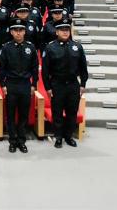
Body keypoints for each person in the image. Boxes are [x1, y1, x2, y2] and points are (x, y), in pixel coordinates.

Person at [42, 18, 88, 148]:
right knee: (57, 112)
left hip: (73, 84)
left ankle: (68, 136)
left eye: (67, 30)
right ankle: (58, 137)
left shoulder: (77, 46)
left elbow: (83, 67)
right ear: (56, 32)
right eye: (62, 30)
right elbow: (45, 70)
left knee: (72, 112)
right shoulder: (50, 47)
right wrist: (48, 87)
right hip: (57, 84)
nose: (65, 32)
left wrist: (83, 84)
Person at [0, 18, 38, 153]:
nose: (18, 33)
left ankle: (21, 140)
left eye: (21, 30)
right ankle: (12, 140)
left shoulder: (30, 47)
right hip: (11, 85)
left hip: (26, 85)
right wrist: (3, 85)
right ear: (11, 32)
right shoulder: (6, 47)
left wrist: (34, 85)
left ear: (25, 32)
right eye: (16, 30)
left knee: (23, 114)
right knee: (10, 114)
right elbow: (2, 68)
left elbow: (34, 68)